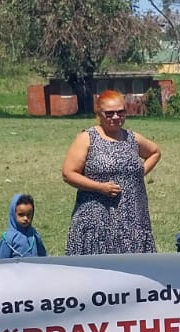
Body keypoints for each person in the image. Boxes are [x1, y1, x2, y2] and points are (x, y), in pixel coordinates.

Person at [62, 90, 161, 255]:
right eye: (109, 113)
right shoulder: (87, 138)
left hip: (133, 217)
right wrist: (100, 187)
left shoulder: (132, 138)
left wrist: (137, 175)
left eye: (121, 112)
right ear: (99, 114)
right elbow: (68, 173)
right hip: (96, 218)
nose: (116, 117)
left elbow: (155, 152)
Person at [0, 194, 48, 259]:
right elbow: (2, 261)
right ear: (13, 214)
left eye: (29, 215)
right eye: (21, 214)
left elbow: (43, 256)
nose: (25, 218)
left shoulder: (33, 234)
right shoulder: (8, 238)